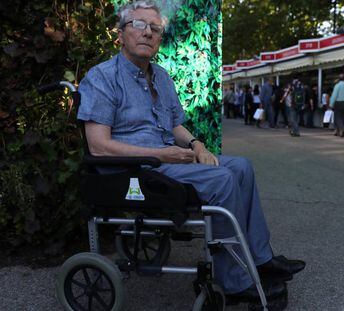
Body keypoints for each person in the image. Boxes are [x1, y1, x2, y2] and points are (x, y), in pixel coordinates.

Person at [77, 0, 305, 302]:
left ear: (160, 38)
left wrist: (197, 145)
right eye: (139, 25)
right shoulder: (102, 77)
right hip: (130, 171)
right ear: (120, 33)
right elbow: (99, 147)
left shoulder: (160, 76)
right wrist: (161, 155)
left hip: (163, 162)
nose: (147, 33)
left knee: (241, 167)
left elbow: (175, 127)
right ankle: (235, 282)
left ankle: (260, 259)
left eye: (155, 28)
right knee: (222, 179)